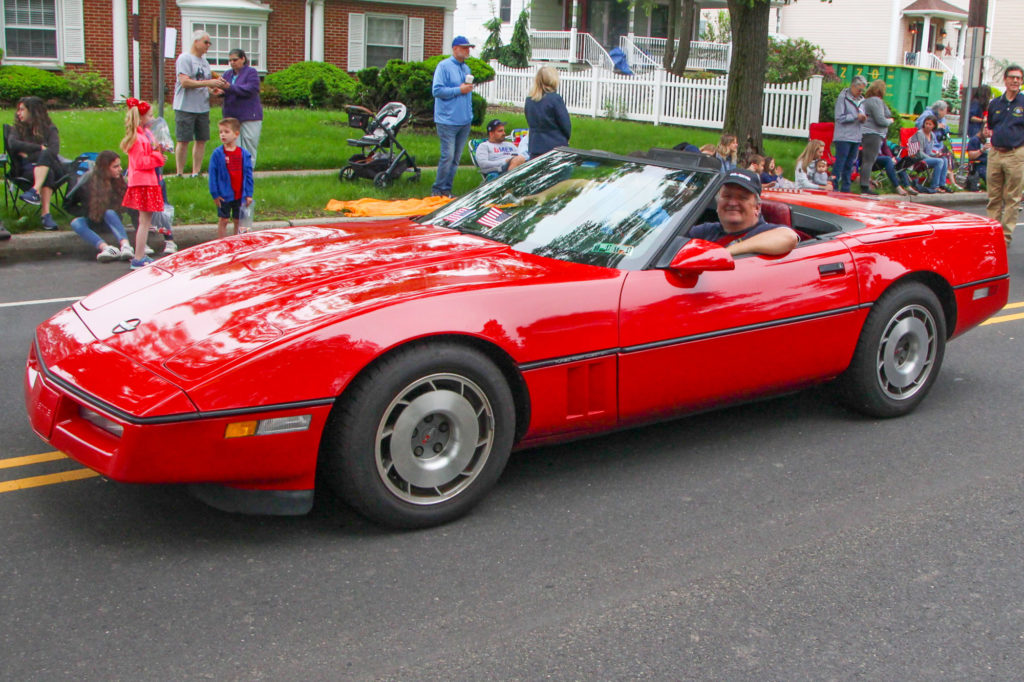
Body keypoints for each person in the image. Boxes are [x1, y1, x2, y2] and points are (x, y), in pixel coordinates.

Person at [688, 169, 799, 257]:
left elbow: (789, 237)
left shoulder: (765, 231)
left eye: (742, 197)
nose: (732, 203)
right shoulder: (707, 231)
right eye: (727, 196)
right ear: (717, 204)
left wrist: (726, 252)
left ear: (757, 207)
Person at [64, 150, 136, 262]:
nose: (120, 169)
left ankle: (126, 246)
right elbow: (68, 204)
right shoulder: (88, 180)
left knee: (109, 213)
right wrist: (87, 211)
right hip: (93, 219)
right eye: (115, 167)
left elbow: (131, 205)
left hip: (111, 221)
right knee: (76, 222)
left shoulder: (119, 181)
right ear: (104, 168)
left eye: (119, 165)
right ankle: (106, 248)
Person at [120, 98, 166, 269]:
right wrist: (157, 157)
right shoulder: (139, 139)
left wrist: (156, 154)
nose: (152, 118)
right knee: (144, 221)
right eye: (150, 115)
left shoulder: (141, 136)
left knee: (145, 221)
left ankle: (140, 255)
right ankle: (138, 257)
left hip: (144, 181)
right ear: (141, 118)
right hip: (144, 182)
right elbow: (141, 162)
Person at [174, 30, 226, 177]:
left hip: (202, 107)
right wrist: (209, 82)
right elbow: (185, 82)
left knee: (201, 140)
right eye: (205, 42)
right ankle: (179, 173)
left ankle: (196, 172)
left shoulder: (205, 63)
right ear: (196, 42)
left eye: (210, 43)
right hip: (185, 106)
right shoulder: (185, 58)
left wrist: (212, 90)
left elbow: (204, 84)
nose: (208, 45)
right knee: (183, 140)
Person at [9, 96, 64, 229]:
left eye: (22, 109)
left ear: (32, 111)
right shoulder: (18, 128)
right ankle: (46, 216)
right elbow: (13, 144)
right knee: (47, 172)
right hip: (27, 170)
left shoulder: (49, 129)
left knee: (47, 156)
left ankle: (34, 191)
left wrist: (28, 154)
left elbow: (53, 151)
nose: (18, 113)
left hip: (53, 166)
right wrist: (39, 148)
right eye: (18, 110)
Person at [431, 36, 476, 197]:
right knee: (447, 157)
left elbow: (466, 93)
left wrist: (469, 113)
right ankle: (437, 190)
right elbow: (437, 91)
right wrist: (459, 90)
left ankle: (447, 190)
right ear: (455, 48)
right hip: (447, 121)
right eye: (464, 48)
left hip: (464, 121)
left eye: (469, 48)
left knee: (456, 159)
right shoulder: (444, 66)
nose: (467, 50)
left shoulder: (466, 68)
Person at [986, 63, 1024, 246]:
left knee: (1012, 198)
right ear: (1005, 80)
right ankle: (992, 236)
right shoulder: (995, 103)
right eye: (1012, 77)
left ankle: (1005, 238)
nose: (1015, 81)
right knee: (993, 197)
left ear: (1021, 81)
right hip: (995, 153)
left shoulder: (1023, 103)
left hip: (1015, 154)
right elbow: (991, 125)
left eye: (1018, 78)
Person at [215, 48, 263, 167]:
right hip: (231, 115)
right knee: (233, 145)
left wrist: (229, 87)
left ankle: (248, 171)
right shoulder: (227, 74)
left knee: (249, 145)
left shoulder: (251, 72)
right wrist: (219, 92)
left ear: (243, 59)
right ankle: (235, 171)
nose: (232, 62)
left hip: (249, 115)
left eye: (235, 60)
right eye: (230, 60)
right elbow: (227, 90)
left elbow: (250, 89)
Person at [209, 117, 254, 239]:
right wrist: (214, 193)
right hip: (224, 194)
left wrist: (248, 194)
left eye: (226, 132)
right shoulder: (217, 154)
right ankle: (221, 242)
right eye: (220, 132)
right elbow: (212, 174)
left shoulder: (243, 154)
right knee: (223, 219)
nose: (223, 135)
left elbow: (248, 175)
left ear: (236, 134)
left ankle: (236, 241)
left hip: (239, 194)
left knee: (238, 220)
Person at [525, 65, 572, 158]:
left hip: (535, 146)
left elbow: (529, 121)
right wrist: (566, 138)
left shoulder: (529, 100)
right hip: (555, 147)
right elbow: (565, 124)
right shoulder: (555, 99)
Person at [833, 74, 867, 192]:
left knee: (850, 164)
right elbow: (839, 117)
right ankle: (833, 186)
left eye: (862, 90)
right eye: (859, 89)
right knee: (840, 163)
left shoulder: (862, 100)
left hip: (856, 137)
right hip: (843, 136)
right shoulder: (842, 98)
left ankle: (846, 188)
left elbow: (862, 115)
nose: (860, 92)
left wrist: (863, 119)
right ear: (853, 86)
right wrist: (856, 116)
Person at [859, 79, 893, 196]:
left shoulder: (866, 101)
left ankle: (864, 184)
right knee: (869, 160)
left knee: (867, 160)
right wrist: (890, 121)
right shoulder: (875, 101)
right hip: (873, 133)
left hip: (867, 133)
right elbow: (881, 120)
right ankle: (864, 186)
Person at [909, 114, 949, 194]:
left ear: (934, 126)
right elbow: (919, 152)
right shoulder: (920, 134)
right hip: (918, 159)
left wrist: (935, 155)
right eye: (926, 123)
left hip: (926, 158)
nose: (927, 126)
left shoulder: (932, 135)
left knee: (944, 159)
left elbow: (929, 151)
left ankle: (942, 184)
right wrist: (931, 158)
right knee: (939, 161)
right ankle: (934, 186)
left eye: (930, 124)